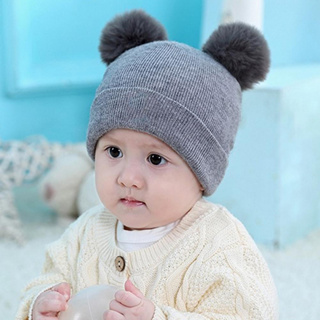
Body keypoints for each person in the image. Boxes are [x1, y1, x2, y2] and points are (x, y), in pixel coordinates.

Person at [16, 9, 278, 320]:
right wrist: (40, 304)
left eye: (155, 159)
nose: (128, 177)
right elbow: (47, 279)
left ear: (202, 174)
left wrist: (158, 317)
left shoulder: (220, 246)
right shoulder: (85, 232)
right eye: (114, 152)